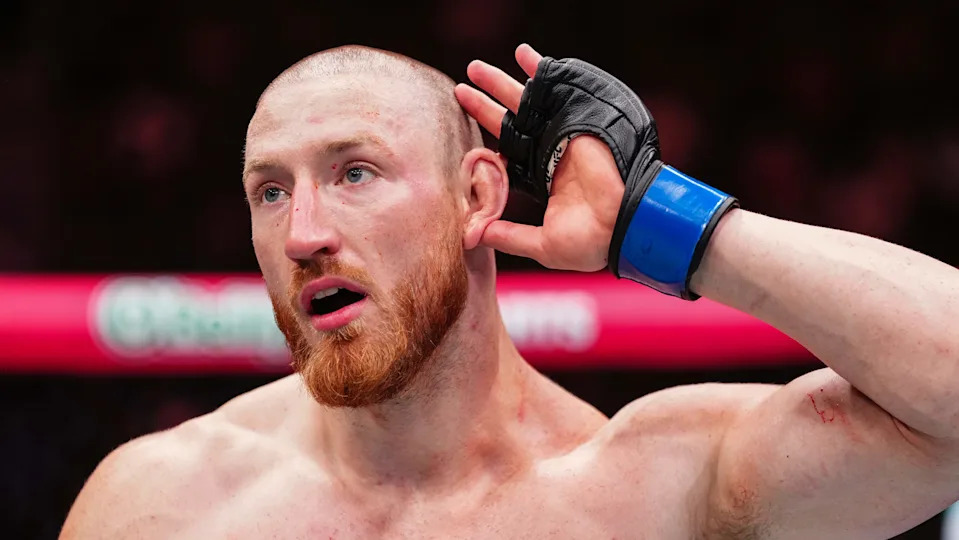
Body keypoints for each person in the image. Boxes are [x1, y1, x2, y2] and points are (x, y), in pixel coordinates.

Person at [61, 44, 959, 539]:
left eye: (356, 173)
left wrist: (663, 223)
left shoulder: (660, 494)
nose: (303, 235)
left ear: (478, 197)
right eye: (271, 190)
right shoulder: (163, 504)